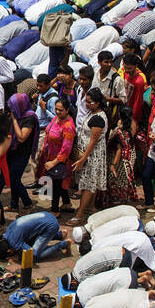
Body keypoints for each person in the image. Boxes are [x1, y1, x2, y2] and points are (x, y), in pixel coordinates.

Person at [70, 92, 108, 225]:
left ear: (97, 103)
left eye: (90, 102)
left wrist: (82, 159)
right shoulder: (91, 113)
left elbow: (93, 142)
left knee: (88, 185)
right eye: (86, 101)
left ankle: (80, 214)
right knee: (89, 183)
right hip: (88, 154)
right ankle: (90, 208)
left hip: (92, 156)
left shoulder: (98, 118)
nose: (87, 104)